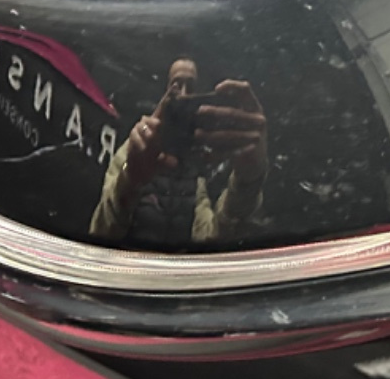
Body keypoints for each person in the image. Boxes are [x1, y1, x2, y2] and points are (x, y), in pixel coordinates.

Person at [90, 58, 268, 247]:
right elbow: (100, 234)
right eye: (176, 86)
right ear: (165, 92)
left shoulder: (195, 167)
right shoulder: (135, 149)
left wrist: (247, 180)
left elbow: (211, 239)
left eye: (190, 87)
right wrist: (130, 179)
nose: (183, 94)